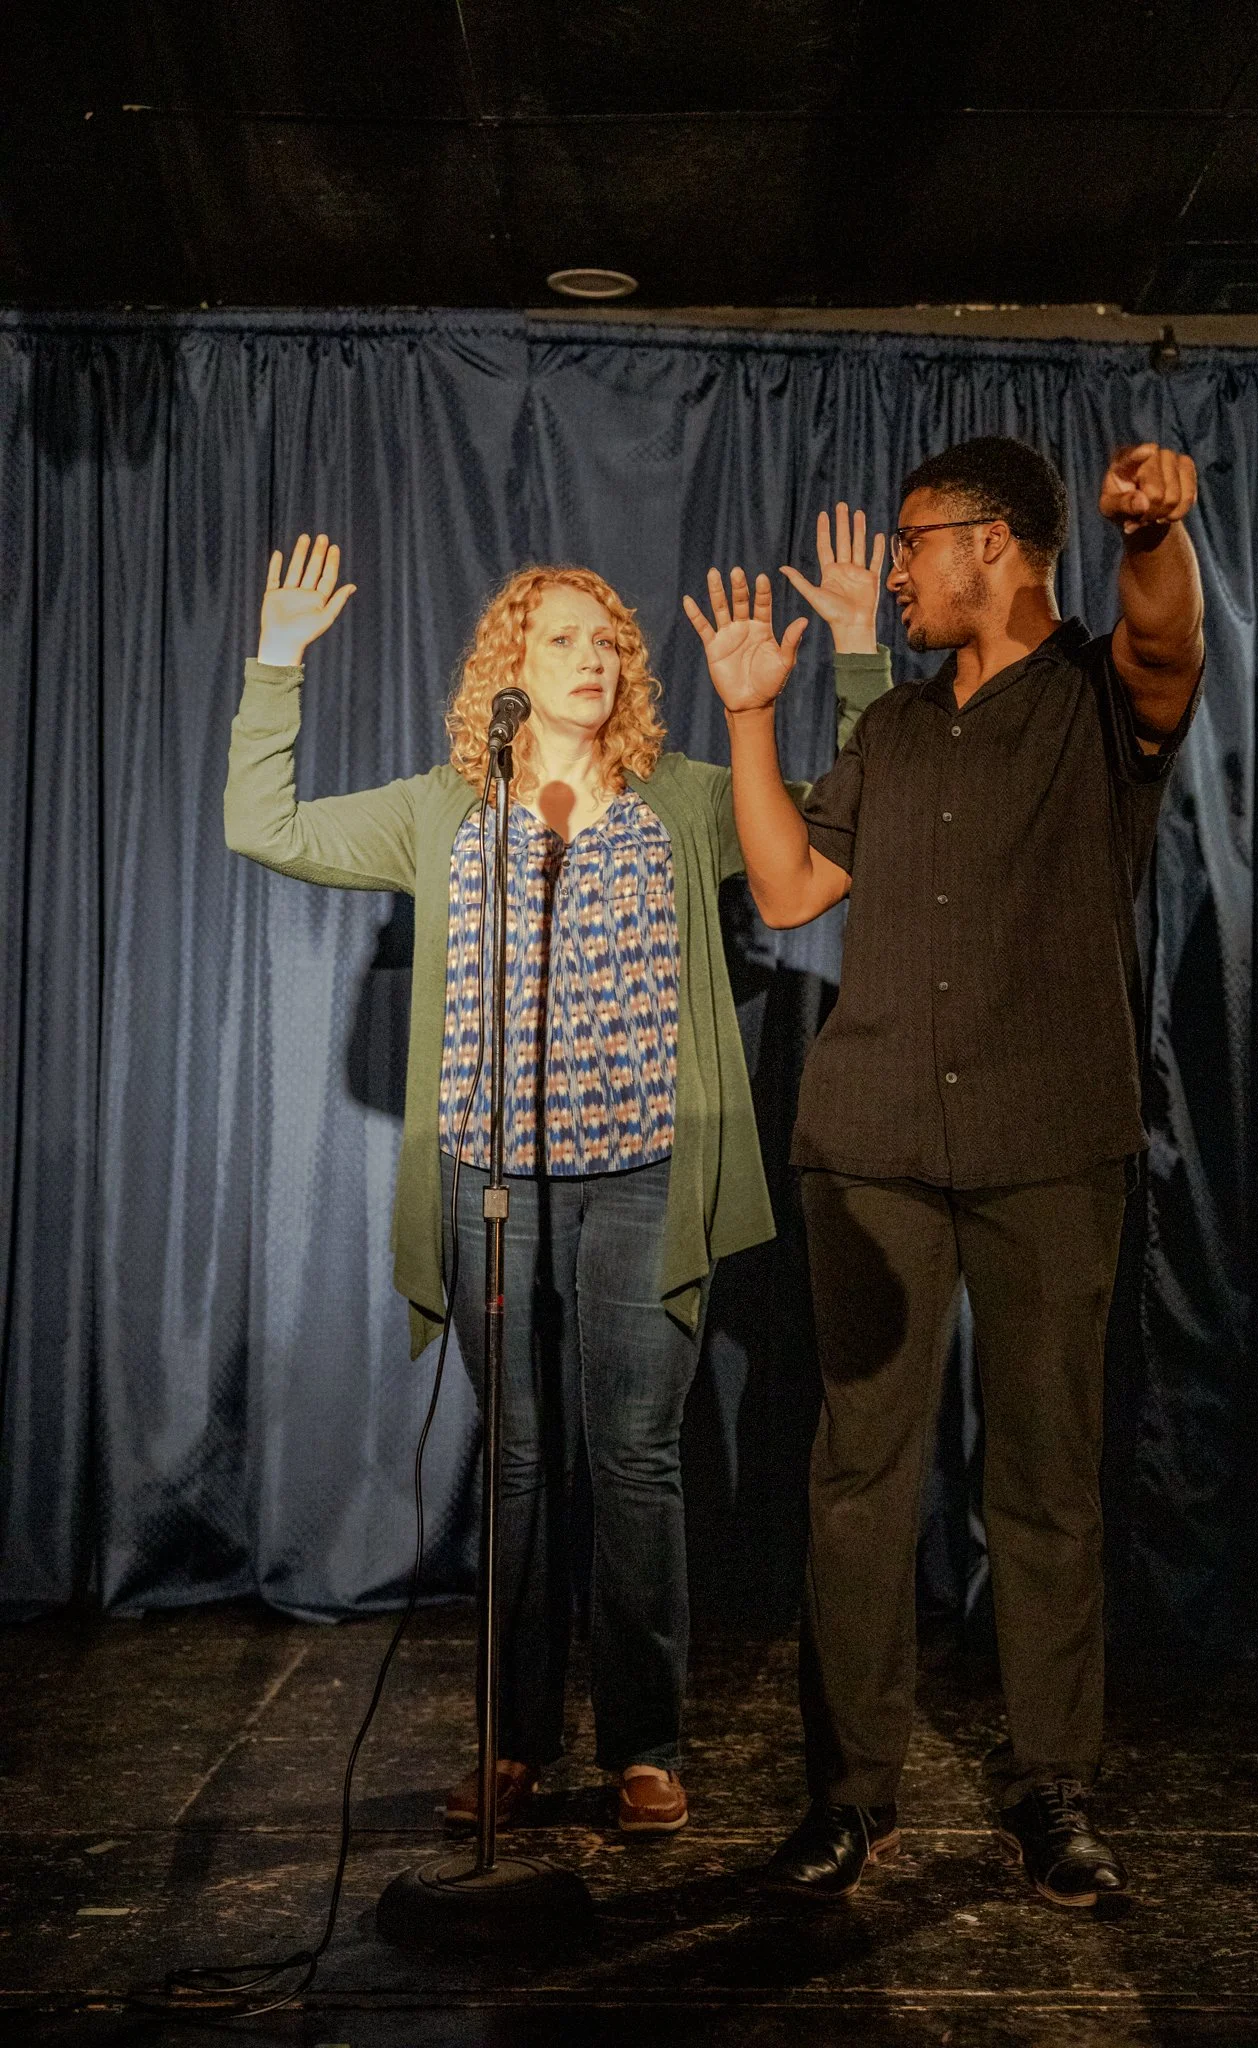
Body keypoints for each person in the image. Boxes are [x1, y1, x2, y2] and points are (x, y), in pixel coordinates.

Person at [224, 538, 885, 1837]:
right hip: (494, 1191)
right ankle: (513, 1743)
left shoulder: (686, 799)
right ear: (508, 670)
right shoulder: (443, 810)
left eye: (609, 643)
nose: (594, 658)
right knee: (520, 1467)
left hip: (645, 1179)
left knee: (636, 1463)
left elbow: (854, 821)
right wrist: (278, 664)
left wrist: (858, 658)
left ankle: (647, 1748)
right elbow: (265, 824)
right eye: (565, 640)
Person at [685, 439, 1204, 1903]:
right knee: (860, 1478)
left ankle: (1052, 1791)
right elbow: (788, 889)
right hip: (878, 1151)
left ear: (991, 545)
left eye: (914, 545)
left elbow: (1166, 638)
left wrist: (1157, 533)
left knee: (1043, 1483)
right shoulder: (898, 734)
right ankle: (851, 1798)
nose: (895, 573)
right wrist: (746, 722)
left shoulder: (1102, 702)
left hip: (1049, 1149)